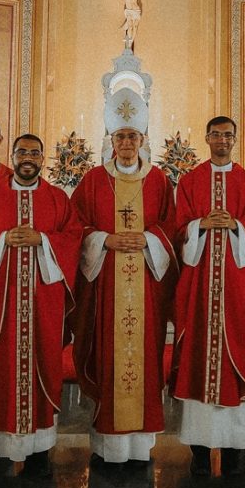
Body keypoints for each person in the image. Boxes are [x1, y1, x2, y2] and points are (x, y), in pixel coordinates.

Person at [0, 134, 83, 479]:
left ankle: (39, 450)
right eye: (21, 152)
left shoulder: (58, 199)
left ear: (43, 158)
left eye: (34, 152)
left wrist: (42, 239)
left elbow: (74, 239)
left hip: (42, 300)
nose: (28, 158)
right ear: (11, 156)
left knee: (42, 364)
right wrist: (1, 239)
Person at [71, 90, 176, 468]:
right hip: (106, 288)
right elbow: (74, 226)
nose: (127, 143)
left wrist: (149, 238)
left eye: (133, 136)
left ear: (143, 140)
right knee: (108, 359)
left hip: (145, 287)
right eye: (120, 137)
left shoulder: (159, 181)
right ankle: (107, 448)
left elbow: (172, 226)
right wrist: (105, 239)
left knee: (144, 358)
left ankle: (140, 447)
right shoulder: (94, 181)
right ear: (110, 141)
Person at [170, 116, 245, 476]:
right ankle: (199, 451)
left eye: (227, 135)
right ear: (206, 137)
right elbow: (177, 228)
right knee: (199, 360)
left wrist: (236, 226)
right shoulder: (190, 181)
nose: (221, 140)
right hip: (199, 288)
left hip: (237, 290)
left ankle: (232, 452)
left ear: (234, 139)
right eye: (215, 134)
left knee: (238, 357)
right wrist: (201, 224)